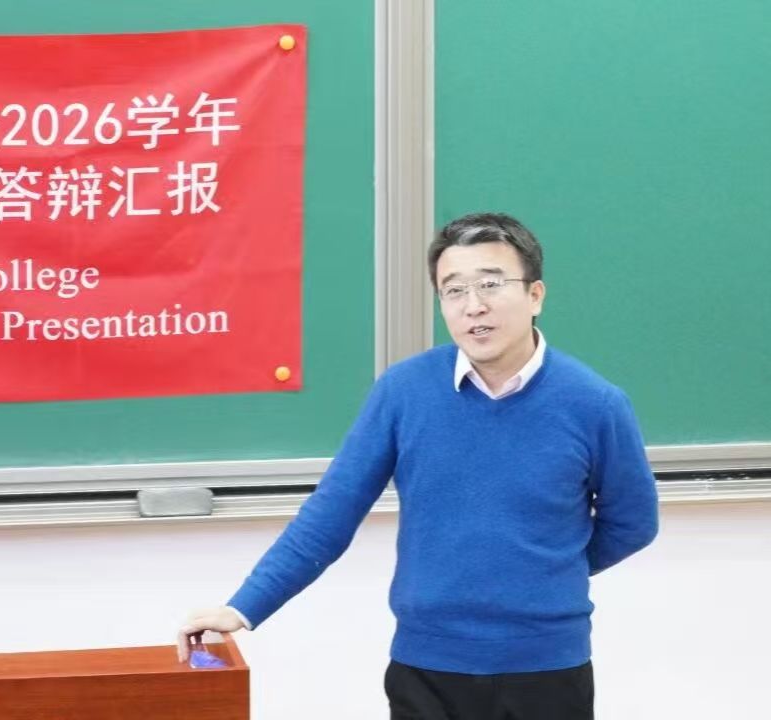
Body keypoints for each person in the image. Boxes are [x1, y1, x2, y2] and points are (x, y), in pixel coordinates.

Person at [176, 212, 659, 719]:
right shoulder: (403, 392)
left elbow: (633, 523)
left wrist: (549, 568)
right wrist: (244, 607)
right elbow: (330, 515)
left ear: (535, 294)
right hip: (426, 668)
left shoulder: (595, 404)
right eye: (454, 290)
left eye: (491, 284)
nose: (473, 306)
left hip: (548, 669)